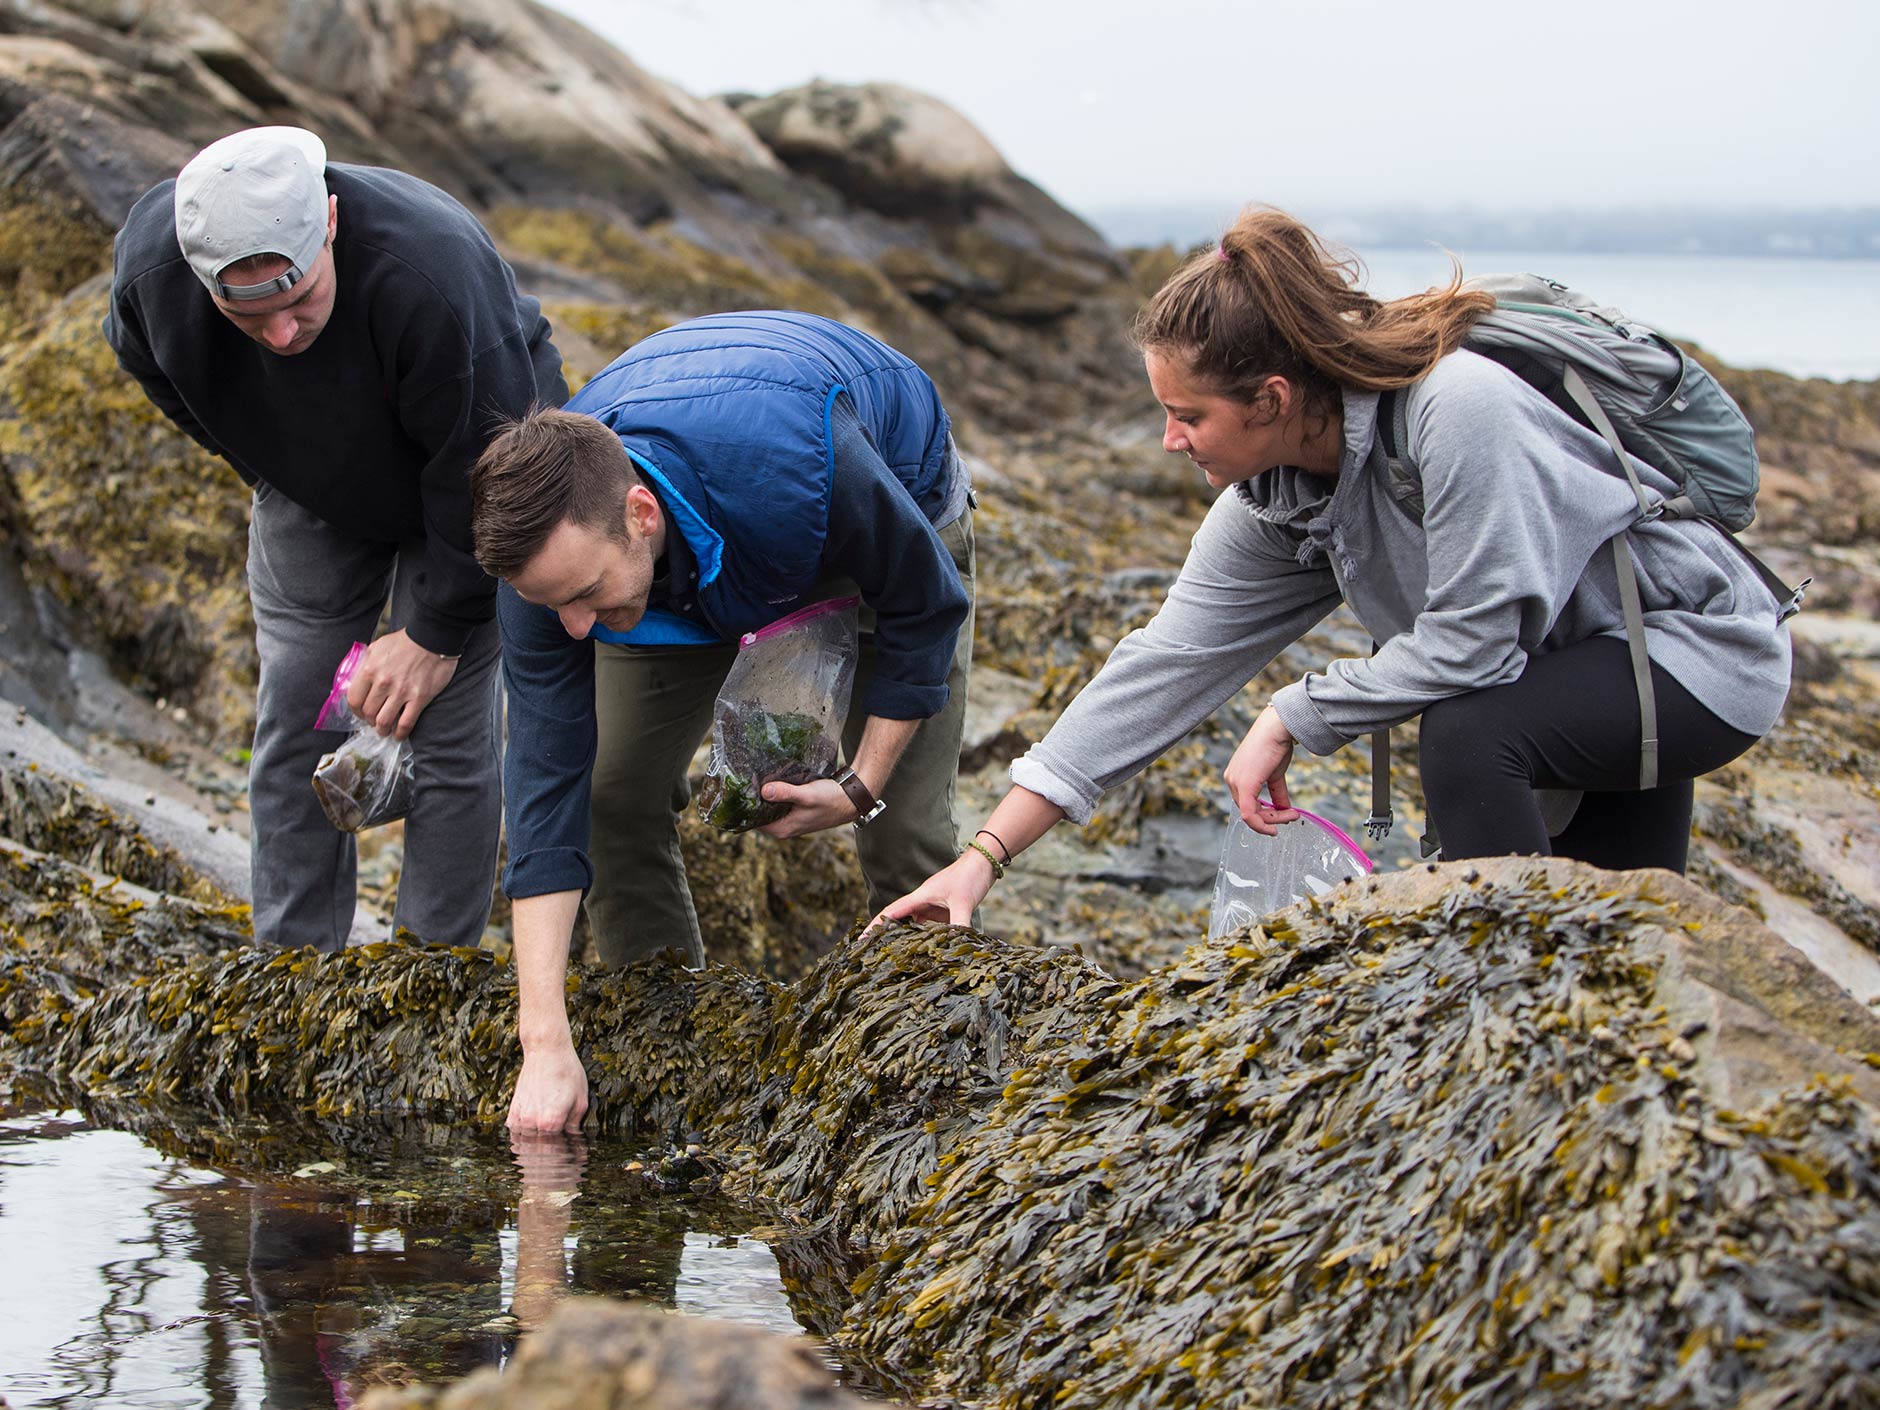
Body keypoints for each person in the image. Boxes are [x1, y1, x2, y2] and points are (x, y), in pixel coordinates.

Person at [879, 207, 1791, 929]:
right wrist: (984, 857)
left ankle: (1497, 1016)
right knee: (1623, 951)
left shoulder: (1457, 409)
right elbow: (1160, 668)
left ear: (1272, 397)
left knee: (1469, 738)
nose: (1169, 440)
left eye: (1188, 414)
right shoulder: (1278, 505)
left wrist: (1294, 711)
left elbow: (1477, 643)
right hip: (1567, 683)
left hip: (1683, 657)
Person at [470, 310, 975, 1132]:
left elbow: (926, 606)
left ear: (638, 513)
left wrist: (861, 782)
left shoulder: (805, 464)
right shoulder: (550, 573)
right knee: (610, 796)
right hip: (687, 567)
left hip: (874, 522)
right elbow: (544, 791)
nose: (572, 629)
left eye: (583, 596)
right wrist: (544, 1044)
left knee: (902, 833)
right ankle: (671, 1048)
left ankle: (946, 1090)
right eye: (550, 604)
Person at [104, 126, 568, 951]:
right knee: (297, 714)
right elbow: (152, 367)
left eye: (298, 299)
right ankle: (293, 959)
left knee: (450, 729)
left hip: (482, 470)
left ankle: (433, 965)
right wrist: (271, 463)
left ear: (328, 220)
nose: (282, 334)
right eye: (250, 314)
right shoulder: (153, 266)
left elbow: (500, 464)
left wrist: (433, 631)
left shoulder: (428, 269)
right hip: (316, 484)